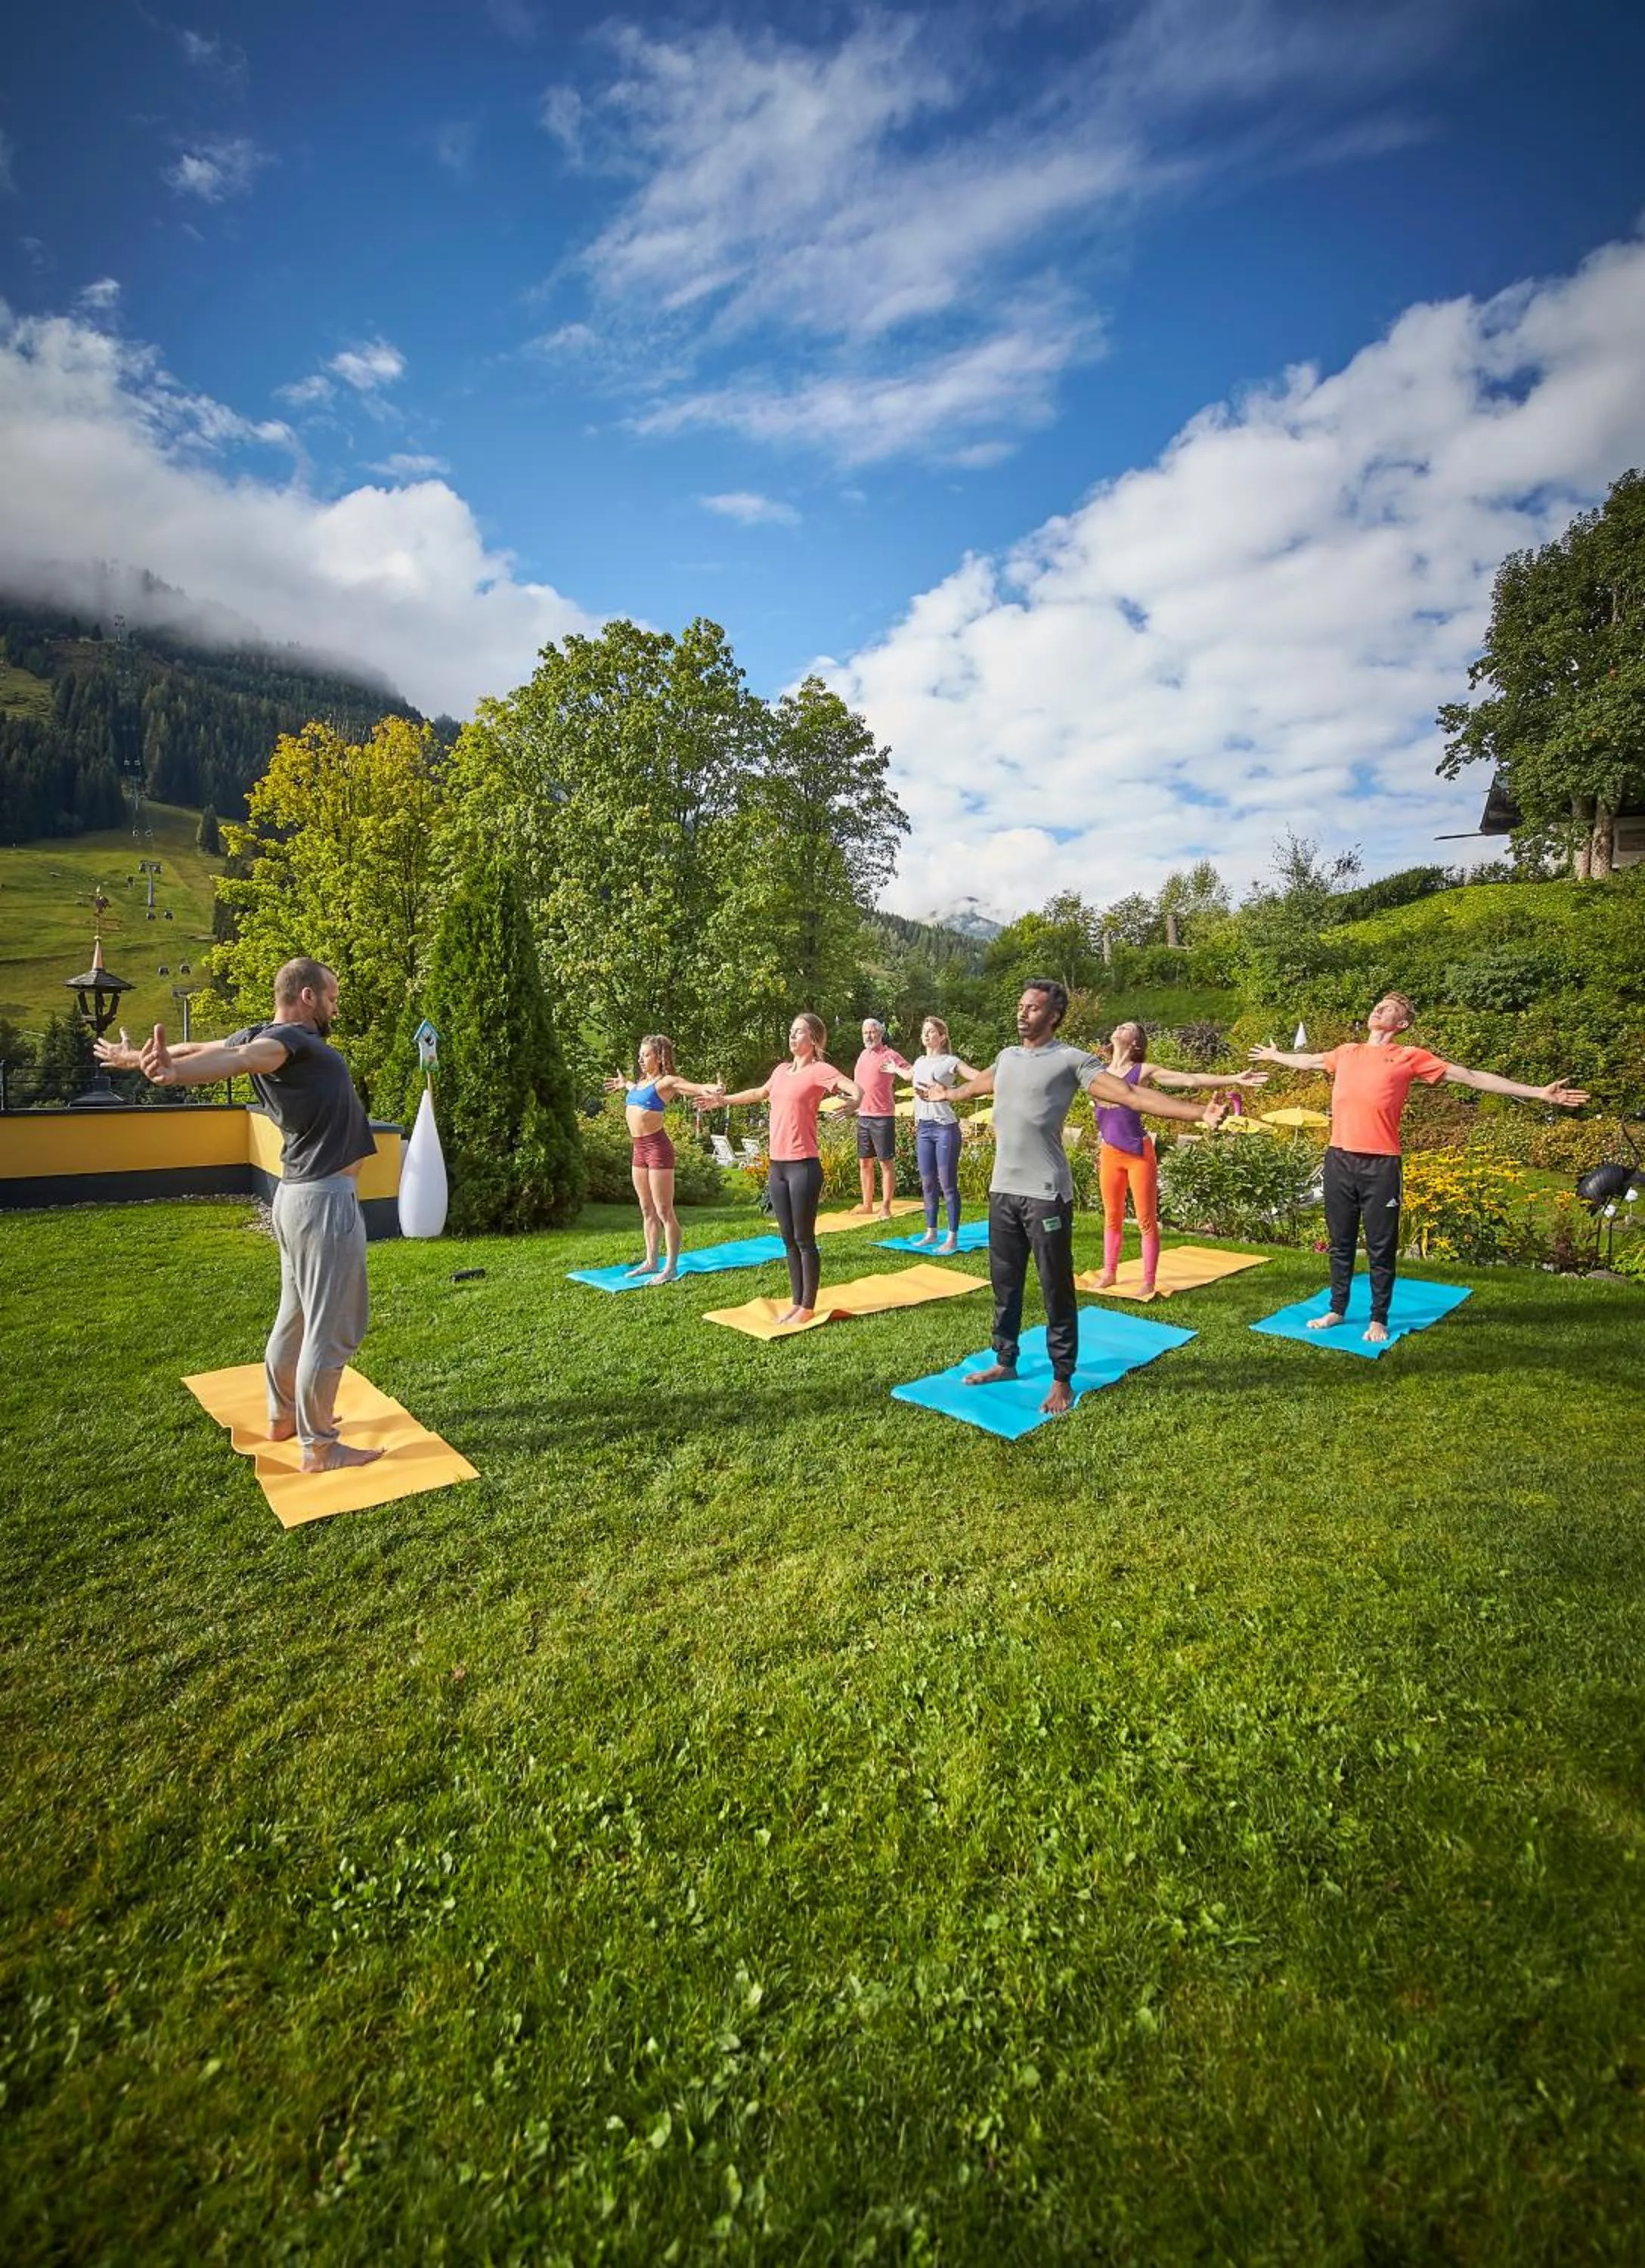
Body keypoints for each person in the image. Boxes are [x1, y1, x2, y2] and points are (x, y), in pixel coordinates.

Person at [94, 956, 383, 1472]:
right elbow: (242, 1059)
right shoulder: (291, 1040)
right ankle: (320, 1447)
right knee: (332, 1327)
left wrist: (139, 1058)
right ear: (308, 996)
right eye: (332, 997)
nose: (336, 1008)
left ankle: (282, 1418)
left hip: (296, 1197)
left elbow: (206, 1049)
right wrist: (173, 1075)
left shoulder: (264, 1034)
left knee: (295, 1317)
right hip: (324, 1202)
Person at [919, 981, 1225, 1415]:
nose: (1022, 1013)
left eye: (1033, 1008)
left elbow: (1131, 1095)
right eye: (1021, 1006)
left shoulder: (1071, 1060)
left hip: (1046, 1194)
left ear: (1054, 1016)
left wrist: (1198, 1112)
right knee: (1005, 1284)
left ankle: (1062, 1377)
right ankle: (1005, 1360)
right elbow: (978, 1086)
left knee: (1055, 1287)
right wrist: (945, 1094)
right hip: (1003, 1190)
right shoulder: (1007, 1057)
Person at [1253, 993, 1588, 1342]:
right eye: (1378, 1005)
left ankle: (1378, 1318)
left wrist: (1537, 1092)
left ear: (1402, 1024)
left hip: (1381, 1164)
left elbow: (1471, 1077)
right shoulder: (1347, 1052)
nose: (1378, 1009)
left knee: (1381, 1246)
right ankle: (1337, 1309)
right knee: (1341, 1243)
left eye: (1388, 1008)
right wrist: (1276, 1056)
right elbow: (1307, 1061)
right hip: (1339, 1158)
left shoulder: (1410, 1057)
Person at [1093, 1021, 1269, 1297]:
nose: (1118, 1027)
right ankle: (1109, 1273)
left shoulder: (1142, 1071)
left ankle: (1148, 1281)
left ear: (1136, 1043)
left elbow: (1189, 1080)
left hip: (1138, 1153)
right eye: (1119, 1025)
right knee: (1112, 1216)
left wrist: (1234, 1078)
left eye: (1127, 1027)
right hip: (1109, 1153)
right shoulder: (1098, 1073)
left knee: (1146, 1219)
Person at [720, 1015, 861, 1326]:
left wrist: (856, 1101)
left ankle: (807, 1306)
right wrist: (723, 1100)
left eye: (799, 1032)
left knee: (804, 1238)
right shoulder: (781, 1071)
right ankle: (796, 1302)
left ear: (814, 1040)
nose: (792, 1036)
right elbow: (758, 1093)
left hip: (803, 1166)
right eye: (791, 1031)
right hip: (778, 1166)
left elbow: (852, 1087)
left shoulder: (819, 1070)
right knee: (787, 1239)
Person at [603, 1035, 725, 1281]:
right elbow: (633, 1089)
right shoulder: (640, 1084)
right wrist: (624, 1083)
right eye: (640, 1054)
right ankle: (651, 1262)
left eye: (646, 1055)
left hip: (657, 1149)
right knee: (646, 1209)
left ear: (658, 1058)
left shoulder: (665, 1082)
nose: (641, 1059)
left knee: (663, 1210)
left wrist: (712, 1088)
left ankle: (670, 1268)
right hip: (639, 1149)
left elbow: (690, 1086)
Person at [900, 1015, 983, 1254]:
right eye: (924, 1031)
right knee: (928, 1183)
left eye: (931, 1031)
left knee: (947, 1184)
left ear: (942, 1037)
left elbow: (978, 1078)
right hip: (924, 1128)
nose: (926, 1035)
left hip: (945, 1128)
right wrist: (893, 1067)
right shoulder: (919, 1061)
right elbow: (908, 1075)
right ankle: (931, 1233)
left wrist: (953, 1090)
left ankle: (952, 1237)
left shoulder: (950, 1061)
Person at [850, 1017, 912, 1221]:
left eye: (872, 1032)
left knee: (886, 1163)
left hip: (883, 1116)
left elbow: (911, 1073)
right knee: (864, 1162)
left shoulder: (890, 1055)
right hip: (863, 1116)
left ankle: (885, 1207)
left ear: (880, 1033)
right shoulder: (862, 1055)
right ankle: (867, 1205)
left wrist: (896, 1069)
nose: (869, 1036)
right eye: (865, 1032)